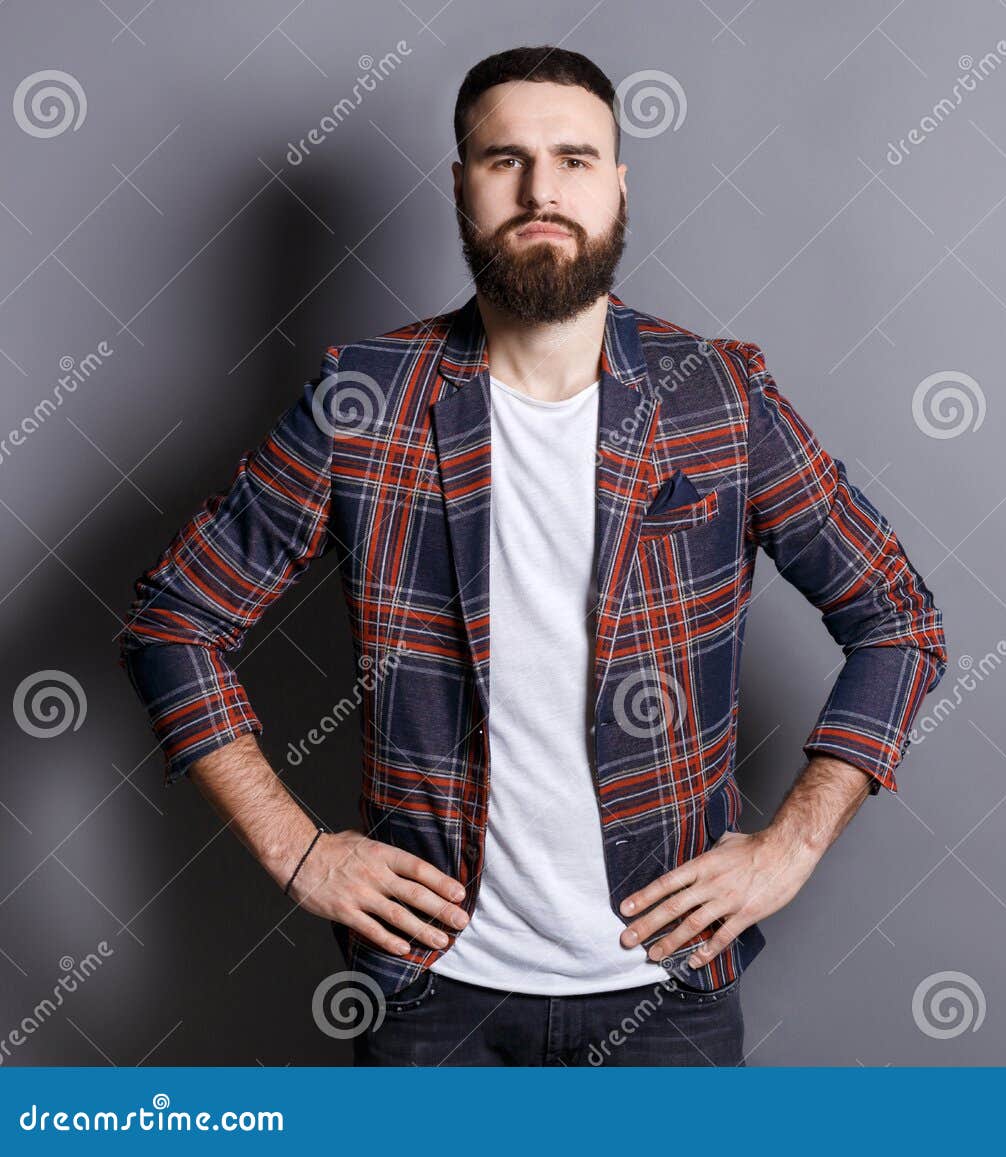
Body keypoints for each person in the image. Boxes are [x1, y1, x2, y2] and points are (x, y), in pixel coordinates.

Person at [117, 45, 947, 1067]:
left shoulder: (717, 396)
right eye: (504, 159)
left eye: (574, 158)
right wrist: (297, 853)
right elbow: (174, 620)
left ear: (618, 186)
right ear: (460, 184)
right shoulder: (363, 399)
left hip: (667, 992)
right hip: (430, 993)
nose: (541, 189)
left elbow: (897, 618)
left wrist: (792, 842)